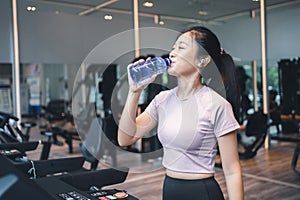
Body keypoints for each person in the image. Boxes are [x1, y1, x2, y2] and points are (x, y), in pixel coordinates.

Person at [118, 26, 244, 200]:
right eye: (173, 48)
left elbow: (232, 170)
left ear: (202, 60)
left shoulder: (217, 105)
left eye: (181, 47)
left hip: (202, 192)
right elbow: (125, 139)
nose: (172, 53)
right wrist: (134, 92)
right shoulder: (162, 100)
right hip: (169, 189)